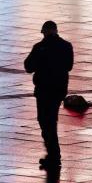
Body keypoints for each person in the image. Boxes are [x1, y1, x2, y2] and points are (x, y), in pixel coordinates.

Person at [24, 21, 74, 170]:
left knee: (45, 121)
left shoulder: (39, 48)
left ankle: (53, 155)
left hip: (44, 90)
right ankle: (53, 155)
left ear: (44, 32)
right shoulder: (66, 46)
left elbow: (28, 66)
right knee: (51, 120)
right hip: (58, 90)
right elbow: (69, 66)